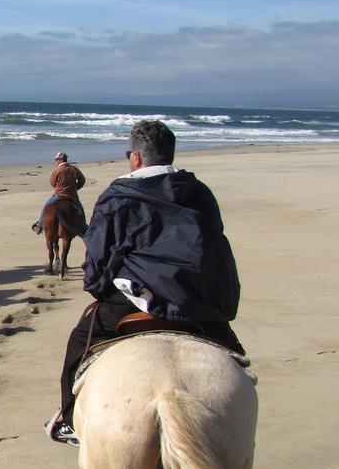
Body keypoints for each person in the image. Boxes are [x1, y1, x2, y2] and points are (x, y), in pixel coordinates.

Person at [46, 121, 244, 447]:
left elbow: (99, 252)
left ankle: (68, 420)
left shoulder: (120, 194)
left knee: (79, 341)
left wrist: (98, 286)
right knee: (236, 359)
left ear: (135, 157)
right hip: (199, 302)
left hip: (138, 300)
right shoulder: (200, 192)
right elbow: (214, 244)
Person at [32, 151, 86, 234]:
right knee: (80, 209)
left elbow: (52, 183)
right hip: (72, 196)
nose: (55, 161)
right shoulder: (74, 169)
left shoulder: (56, 170)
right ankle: (83, 227)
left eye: (56, 160)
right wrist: (75, 188)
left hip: (59, 195)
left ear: (61, 160)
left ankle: (40, 225)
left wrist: (60, 187)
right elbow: (82, 180)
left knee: (46, 206)